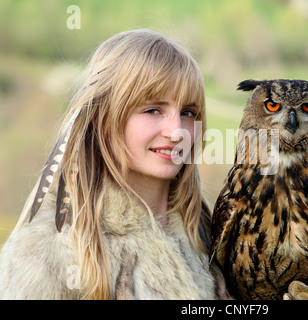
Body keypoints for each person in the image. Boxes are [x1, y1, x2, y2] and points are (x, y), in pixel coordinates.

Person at [0, 29, 229, 300]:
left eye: (187, 113)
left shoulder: (213, 238)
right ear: (102, 117)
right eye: (153, 110)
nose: (176, 130)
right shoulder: (48, 251)